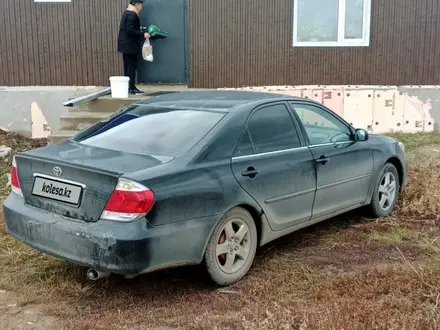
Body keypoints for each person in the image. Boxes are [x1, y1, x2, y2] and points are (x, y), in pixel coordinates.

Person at [117, 0, 150, 95]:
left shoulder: (126, 13)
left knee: (127, 67)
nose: (141, 7)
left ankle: (128, 86)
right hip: (130, 45)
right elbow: (130, 30)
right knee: (131, 67)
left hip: (125, 45)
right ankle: (131, 87)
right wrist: (143, 34)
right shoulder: (132, 15)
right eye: (140, 5)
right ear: (136, 5)